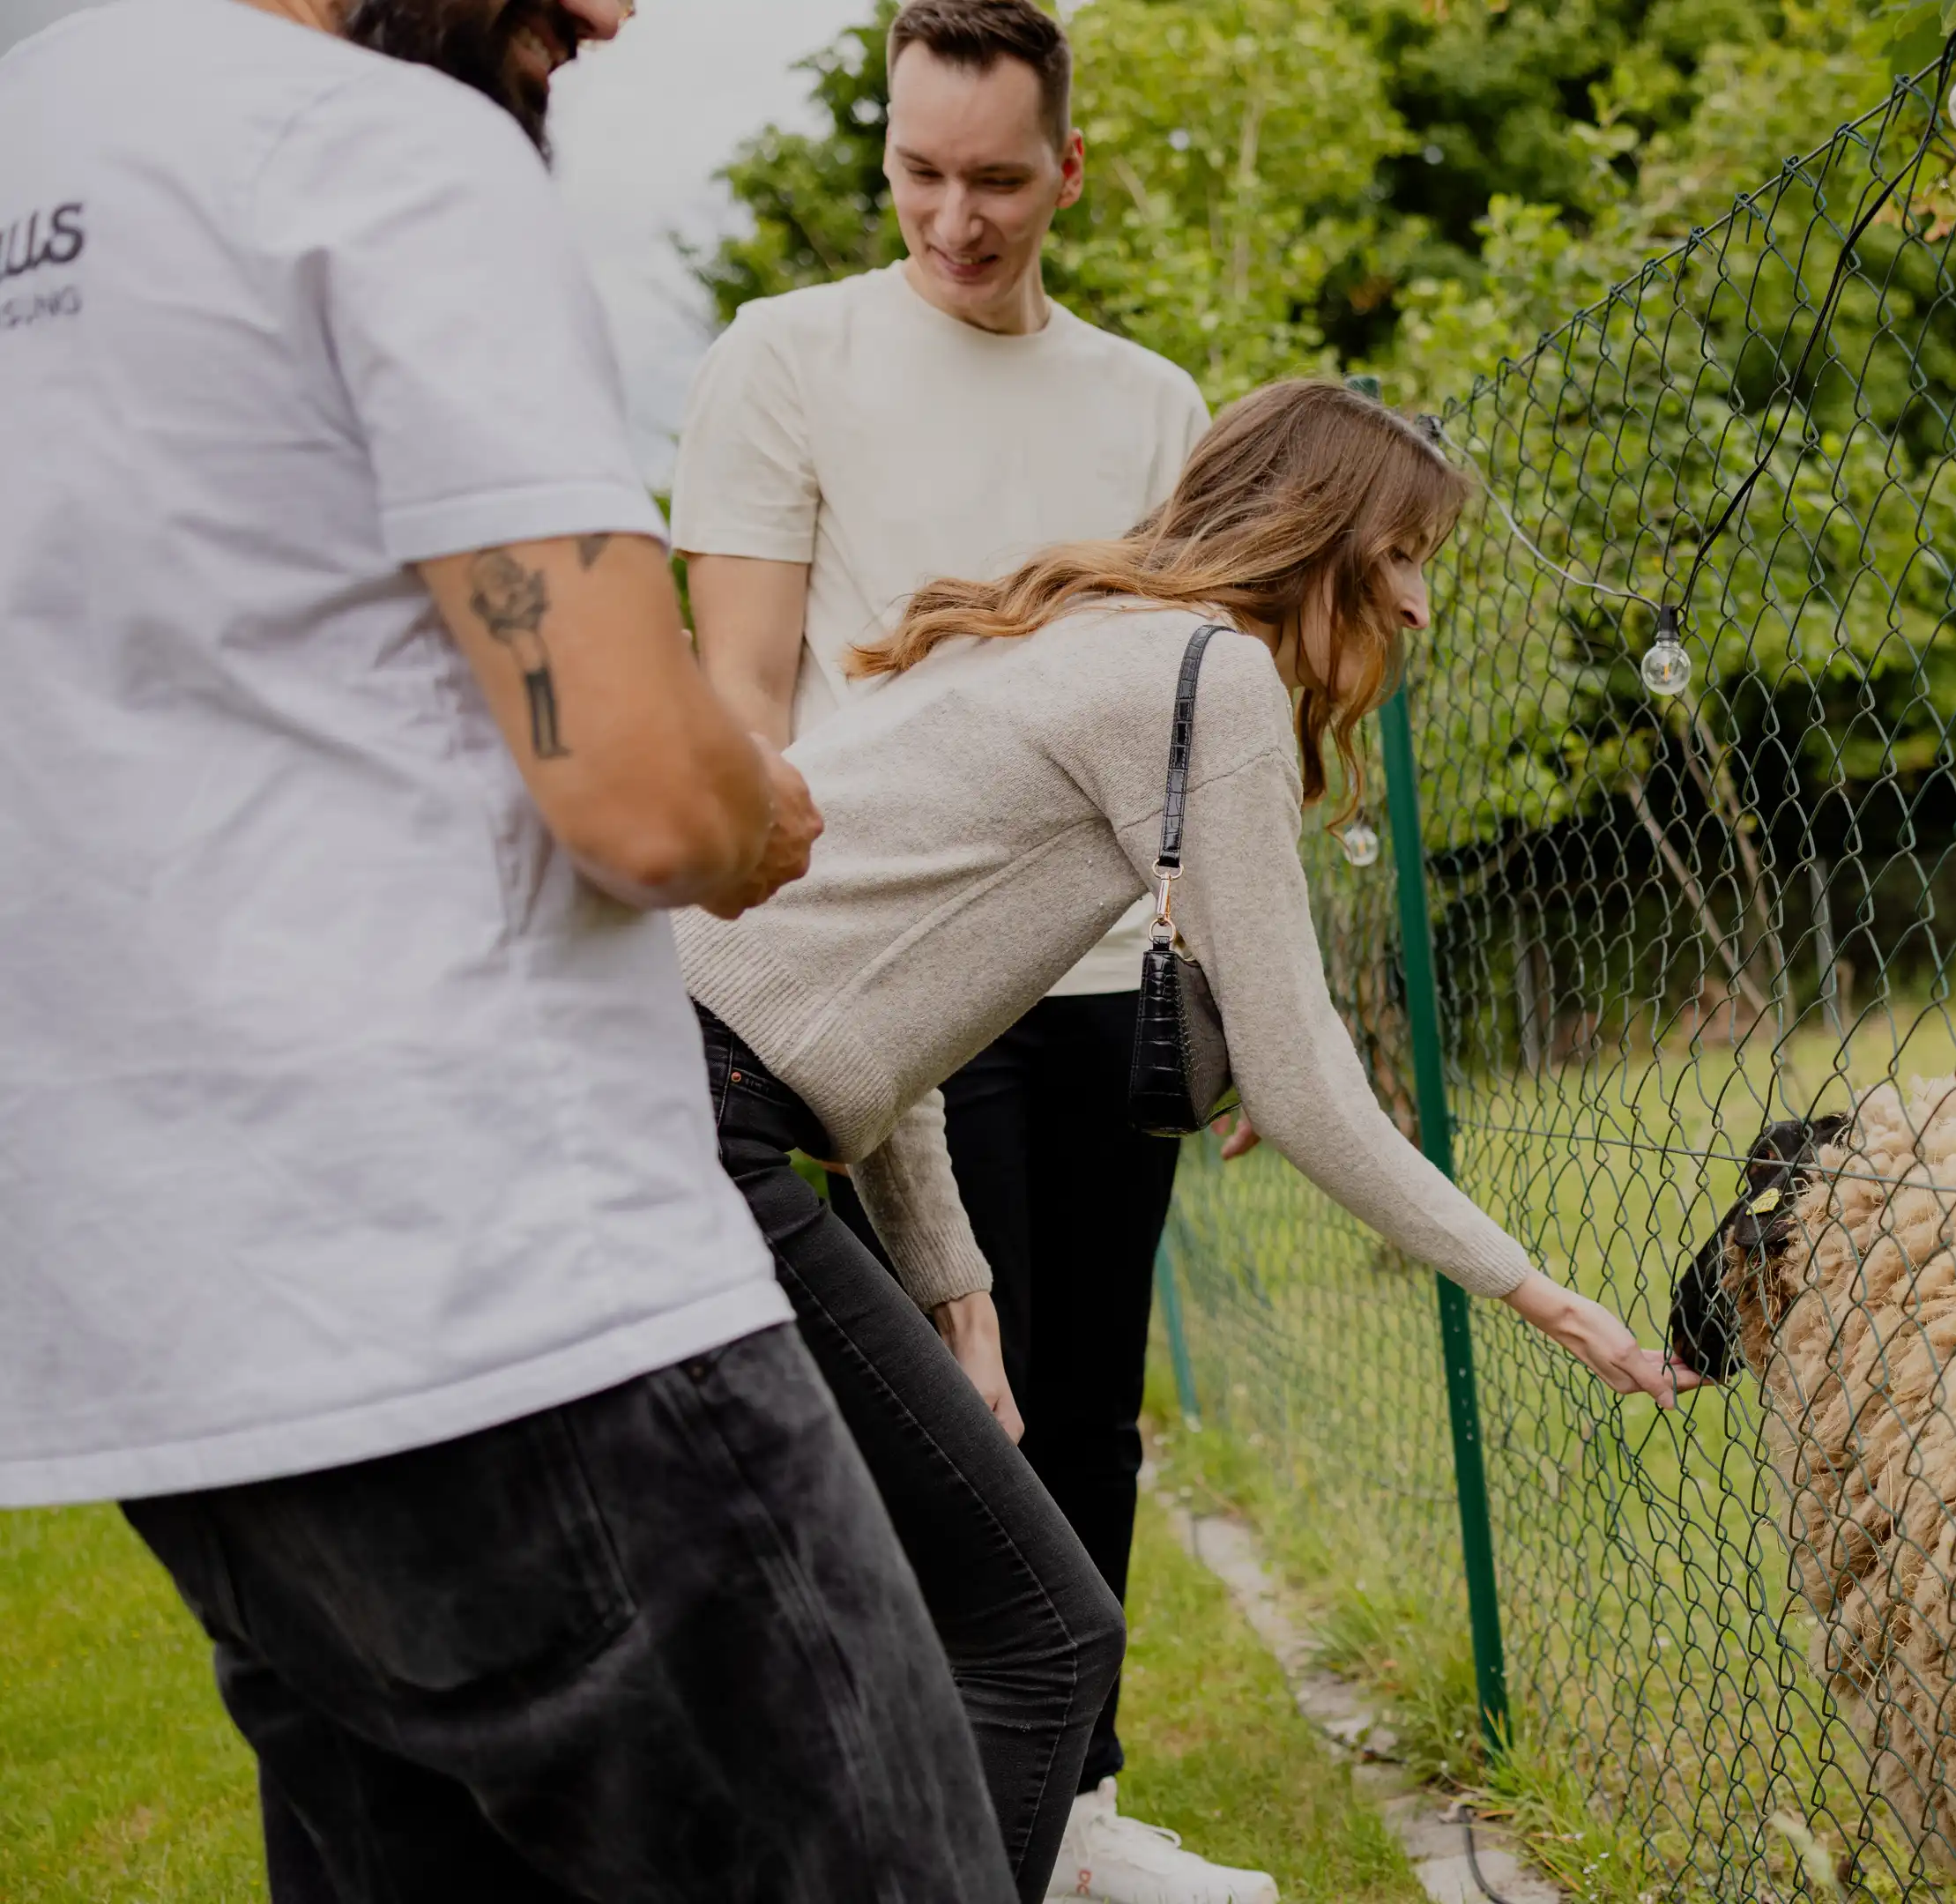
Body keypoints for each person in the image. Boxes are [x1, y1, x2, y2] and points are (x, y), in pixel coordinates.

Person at [0, 0, 1021, 1900]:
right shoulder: (383, 150)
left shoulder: (41, 131)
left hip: (174, 1360)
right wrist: (754, 804)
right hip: (513, 1312)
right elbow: (646, 797)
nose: (612, 13)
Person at [675, 377, 1700, 1903]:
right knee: (1042, 1628)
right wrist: (1538, 1293)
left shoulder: (1066, 625)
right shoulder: (1207, 677)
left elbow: (881, 1014)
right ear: (1317, 533)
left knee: (940, 1609)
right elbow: (1300, 1076)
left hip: (677, 1086)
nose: (1418, 607)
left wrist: (958, 1291)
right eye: (1402, 557)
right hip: (710, 1119)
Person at [666, 11, 1233, 1891]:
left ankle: (1078, 1822)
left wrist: (1225, 976)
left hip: (1100, 974)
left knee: (1090, 1410)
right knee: (958, 1424)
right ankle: (933, 1816)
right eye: (919, 172)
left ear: (1069, 170)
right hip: (885, 981)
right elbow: (741, 698)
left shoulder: (1151, 404)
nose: (955, 218)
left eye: (996, 179)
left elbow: (1183, 726)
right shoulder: (786, 358)